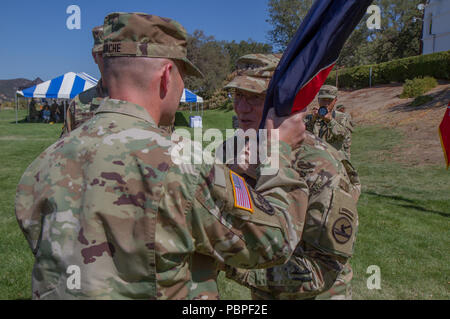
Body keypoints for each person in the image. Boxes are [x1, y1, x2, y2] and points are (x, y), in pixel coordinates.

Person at [15, 12, 309, 300]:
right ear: (167, 76)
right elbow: (275, 242)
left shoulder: (42, 164)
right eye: (183, 76)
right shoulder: (181, 161)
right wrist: (278, 152)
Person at [219, 53, 361, 300]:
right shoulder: (233, 150)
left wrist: (229, 262)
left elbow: (321, 270)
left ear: (281, 103)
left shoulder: (319, 163)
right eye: (238, 95)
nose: (241, 108)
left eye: (255, 97)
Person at [62, 25, 108, 136]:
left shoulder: (145, 100)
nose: (108, 59)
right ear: (94, 56)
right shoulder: (79, 103)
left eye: (114, 54)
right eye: (102, 54)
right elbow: (64, 147)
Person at [306, 85, 353, 159]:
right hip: (316, 160)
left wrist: (330, 121)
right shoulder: (310, 118)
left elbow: (343, 136)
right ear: (318, 100)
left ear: (335, 101)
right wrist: (312, 120)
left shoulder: (342, 118)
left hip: (337, 161)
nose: (326, 104)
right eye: (323, 100)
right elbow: (302, 137)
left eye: (329, 100)